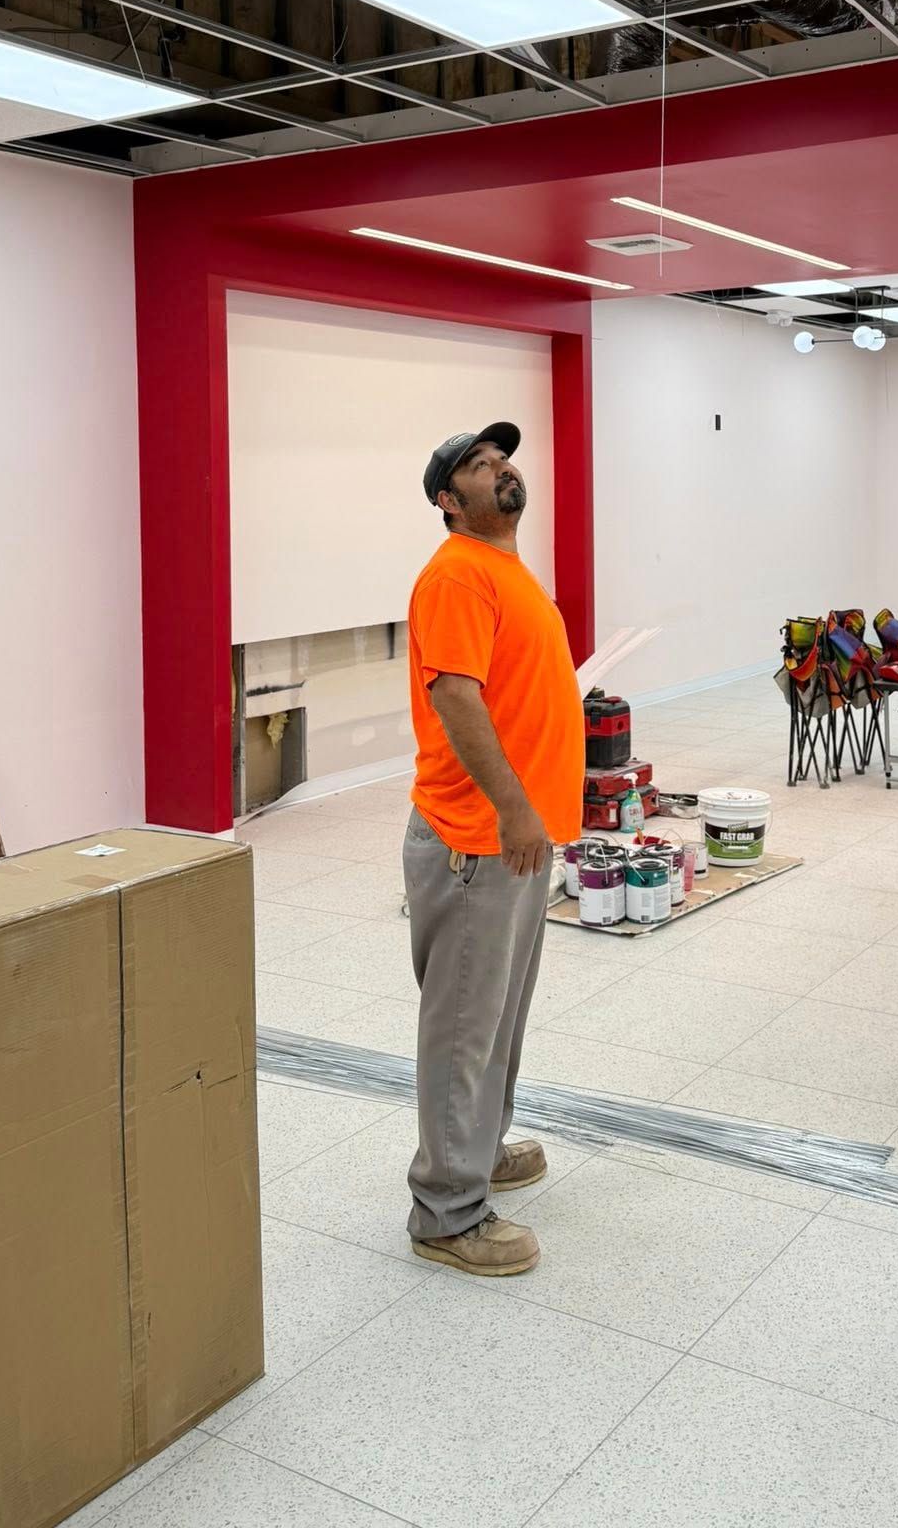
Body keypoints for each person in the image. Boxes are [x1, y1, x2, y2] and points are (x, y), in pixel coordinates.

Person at [401, 421, 583, 1276]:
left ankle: (479, 1145)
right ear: (448, 500)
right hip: (478, 837)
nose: (500, 469)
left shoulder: (504, 568)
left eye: (502, 458)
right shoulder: (457, 575)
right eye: (477, 465)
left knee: (501, 1010)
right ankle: (447, 1210)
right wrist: (513, 808)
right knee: (464, 1025)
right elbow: (456, 699)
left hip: (519, 836)